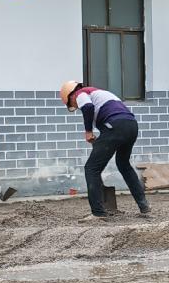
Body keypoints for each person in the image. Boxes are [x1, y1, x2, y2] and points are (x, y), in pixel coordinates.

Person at [61, 80, 151, 220]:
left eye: (71, 104)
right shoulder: (100, 93)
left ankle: (98, 213)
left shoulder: (80, 93)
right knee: (123, 164)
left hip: (115, 126)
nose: (75, 106)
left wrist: (88, 131)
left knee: (91, 168)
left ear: (70, 95)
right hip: (131, 125)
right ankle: (143, 205)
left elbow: (88, 107)